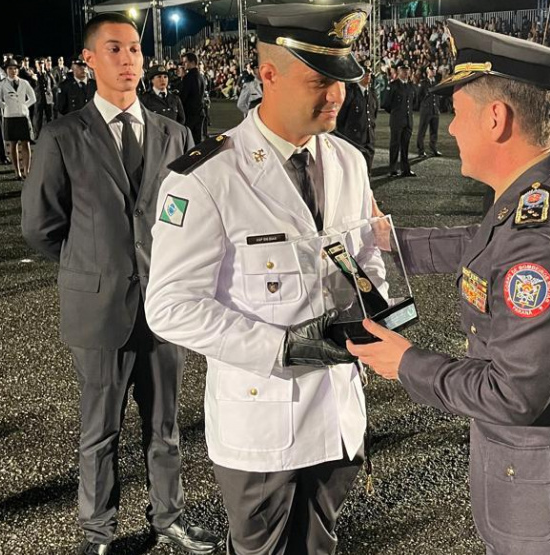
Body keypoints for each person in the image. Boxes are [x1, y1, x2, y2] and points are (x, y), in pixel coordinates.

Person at [348, 19, 550, 555]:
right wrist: (397, 241)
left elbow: (513, 394)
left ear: (497, 118)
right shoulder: (548, 187)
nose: (452, 129)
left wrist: (405, 362)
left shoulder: (542, 240)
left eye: (457, 115)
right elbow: (487, 245)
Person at [144, 3, 380, 554]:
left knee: (321, 546)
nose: (337, 95)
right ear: (267, 74)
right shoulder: (206, 177)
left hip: (338, 413)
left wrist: (380, 308)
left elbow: (363, 259)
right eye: (319, 80)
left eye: (342, 79)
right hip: (263, 423)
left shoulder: (348, 161)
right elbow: (170, 305)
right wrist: (283, 347)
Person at [20, 13, 220, 555]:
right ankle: (98, 534)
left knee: (166, 427)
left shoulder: (174, 132)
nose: (129, 59)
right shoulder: (62, 136)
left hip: (163, 306)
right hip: (99, 309)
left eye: (135, 48)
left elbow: (191, 214)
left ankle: (169, 518)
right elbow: (40, 225)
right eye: (115, 49)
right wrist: (91, 264)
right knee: (99, 433)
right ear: (88, 61)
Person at [0, 59, 36, 180]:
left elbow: (33, 98)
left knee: (26, 143)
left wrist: (24, 106)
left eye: (15, 68)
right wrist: (6, 107)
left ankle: (27, 171)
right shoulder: (1, 84)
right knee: (12, 145)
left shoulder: (24, 83)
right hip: (9, 116)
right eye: (10, 68)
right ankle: (17, 171)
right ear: (6, 70)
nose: (13, 71)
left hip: (22, 116)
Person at [336, 64, 378, 171]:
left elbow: (373, 114)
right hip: (354, 139)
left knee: (367, 169)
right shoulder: (350, 92)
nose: (368, 76)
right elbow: (341, 117)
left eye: (369, 74)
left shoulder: (372, 93)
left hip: (369, 137)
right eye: (365, 74)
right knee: (353, 169)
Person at [383, 62, 417, 177]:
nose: (406, 72)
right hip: (397, 120)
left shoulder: (410, 86)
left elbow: (414, 102)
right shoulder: (393, 85)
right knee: (395, 145)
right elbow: (386, 104)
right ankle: (392, 168)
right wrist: (395, 113)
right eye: (403, 70)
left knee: (405, 145)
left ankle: (405, 169)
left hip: (408, 120)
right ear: (398, 71)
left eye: (407, 70)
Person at [179, 52, 207, 143]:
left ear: (192, 62)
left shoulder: (188, 77)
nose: (183, 64)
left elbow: (183, 96)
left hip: (190, 114)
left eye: (185, 62)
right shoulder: (201, 76)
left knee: (189, 141)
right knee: (198, 141)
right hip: (200, 112)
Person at [416, 67, 441, 157]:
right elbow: (419, 96)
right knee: (422, 131)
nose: (433, 71)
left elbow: (437, 96)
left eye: (434, 70)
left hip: (434, 109)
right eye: (431, 70)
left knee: (434, 131)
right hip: (426, 110)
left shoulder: (436, 83)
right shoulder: (424, 83)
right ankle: (421, 150)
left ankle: (433, 148)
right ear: (427, 72)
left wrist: (437, 107)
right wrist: (424, 104)